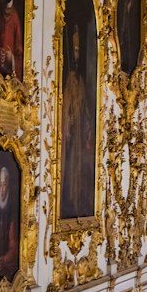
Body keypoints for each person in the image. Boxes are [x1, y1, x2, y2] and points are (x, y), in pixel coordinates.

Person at [60, 20, 94, 219]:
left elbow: (87, 111)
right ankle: (69, 200)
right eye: (74, 49)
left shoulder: (80, 81)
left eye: (79, 49)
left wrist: (87, 125)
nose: (77, 53)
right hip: (72, 135)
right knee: (70, 166)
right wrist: (69, 121)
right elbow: (65, 108)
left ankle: (77, 200)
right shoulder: (70, 82)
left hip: (80, 134)